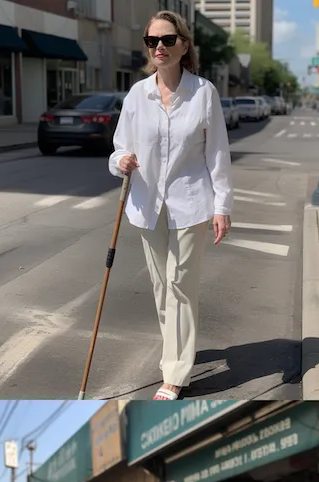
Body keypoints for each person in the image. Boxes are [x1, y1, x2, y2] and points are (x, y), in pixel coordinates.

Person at [109, 10, 234, 402]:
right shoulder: (137, 95)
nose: (158, 47)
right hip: (148, 205)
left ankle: (175, 372)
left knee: (180, 285)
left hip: (191, 203)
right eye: (151, 41)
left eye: (166, 40)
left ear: (184, 44)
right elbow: (118, 148)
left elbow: (218, 154)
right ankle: (175, 352)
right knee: (162, 287)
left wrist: (223, 205)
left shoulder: (203, 92)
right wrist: (121, 162)